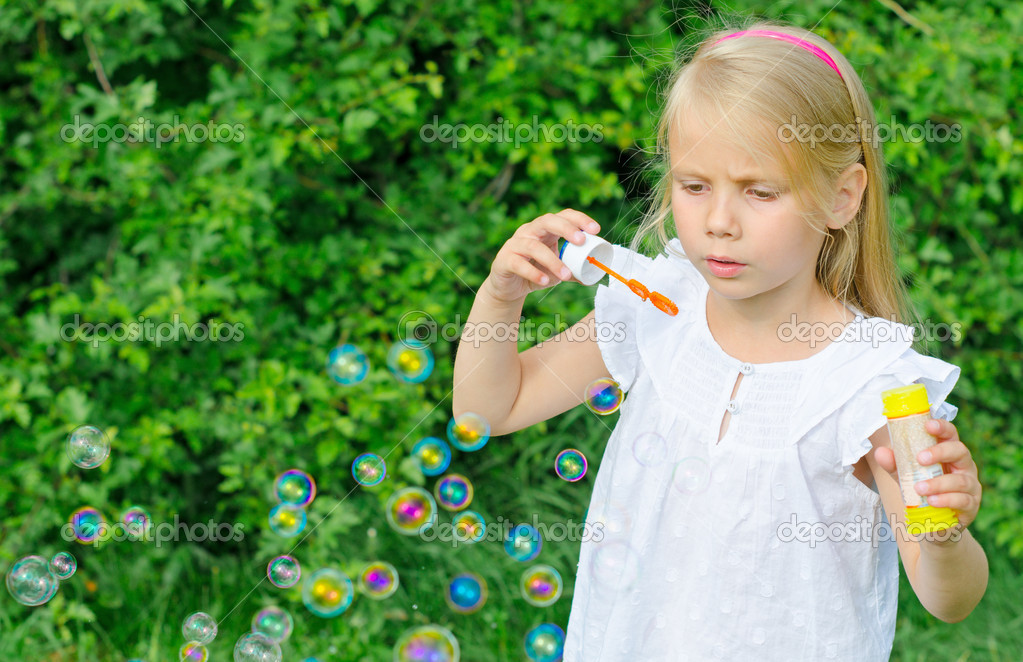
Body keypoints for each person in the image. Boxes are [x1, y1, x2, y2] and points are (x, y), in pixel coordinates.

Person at [452, 20, 988, 661]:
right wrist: (502, 294)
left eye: (759, 191)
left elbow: (945, 598)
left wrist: (947, 538)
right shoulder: (660, 307)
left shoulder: (872, 384)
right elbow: (488, 409)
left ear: (842, 197)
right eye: (695, 186)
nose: (719, 222)